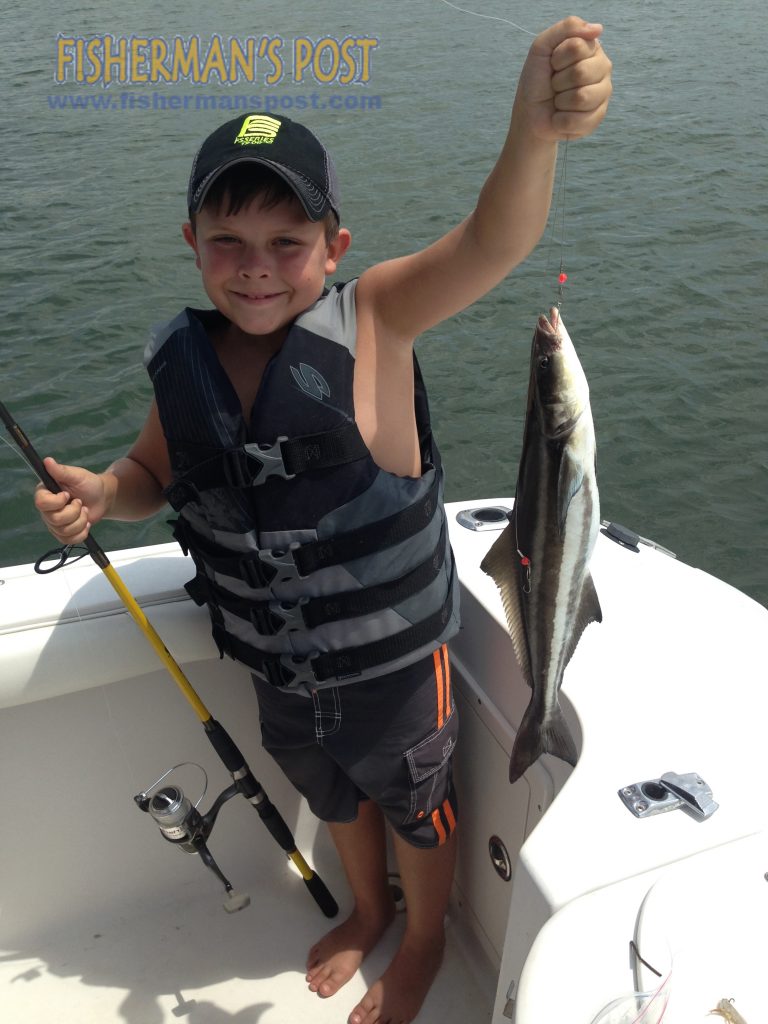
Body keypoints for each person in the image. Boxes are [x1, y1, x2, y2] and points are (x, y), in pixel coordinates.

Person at [35, 17, 612, 1024]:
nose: (256, 267)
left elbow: (495, 238)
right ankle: (365, 907)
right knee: (334, 795)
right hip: (278, 668)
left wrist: (535, 126)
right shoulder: (184, 363)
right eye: (229, 242)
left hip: (394, 670)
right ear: (192, 245)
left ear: (334, 245)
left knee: (417, 807)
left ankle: (425, 937)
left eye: (287, 243)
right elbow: (147, 474)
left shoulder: (377, 316)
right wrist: (100, 492)